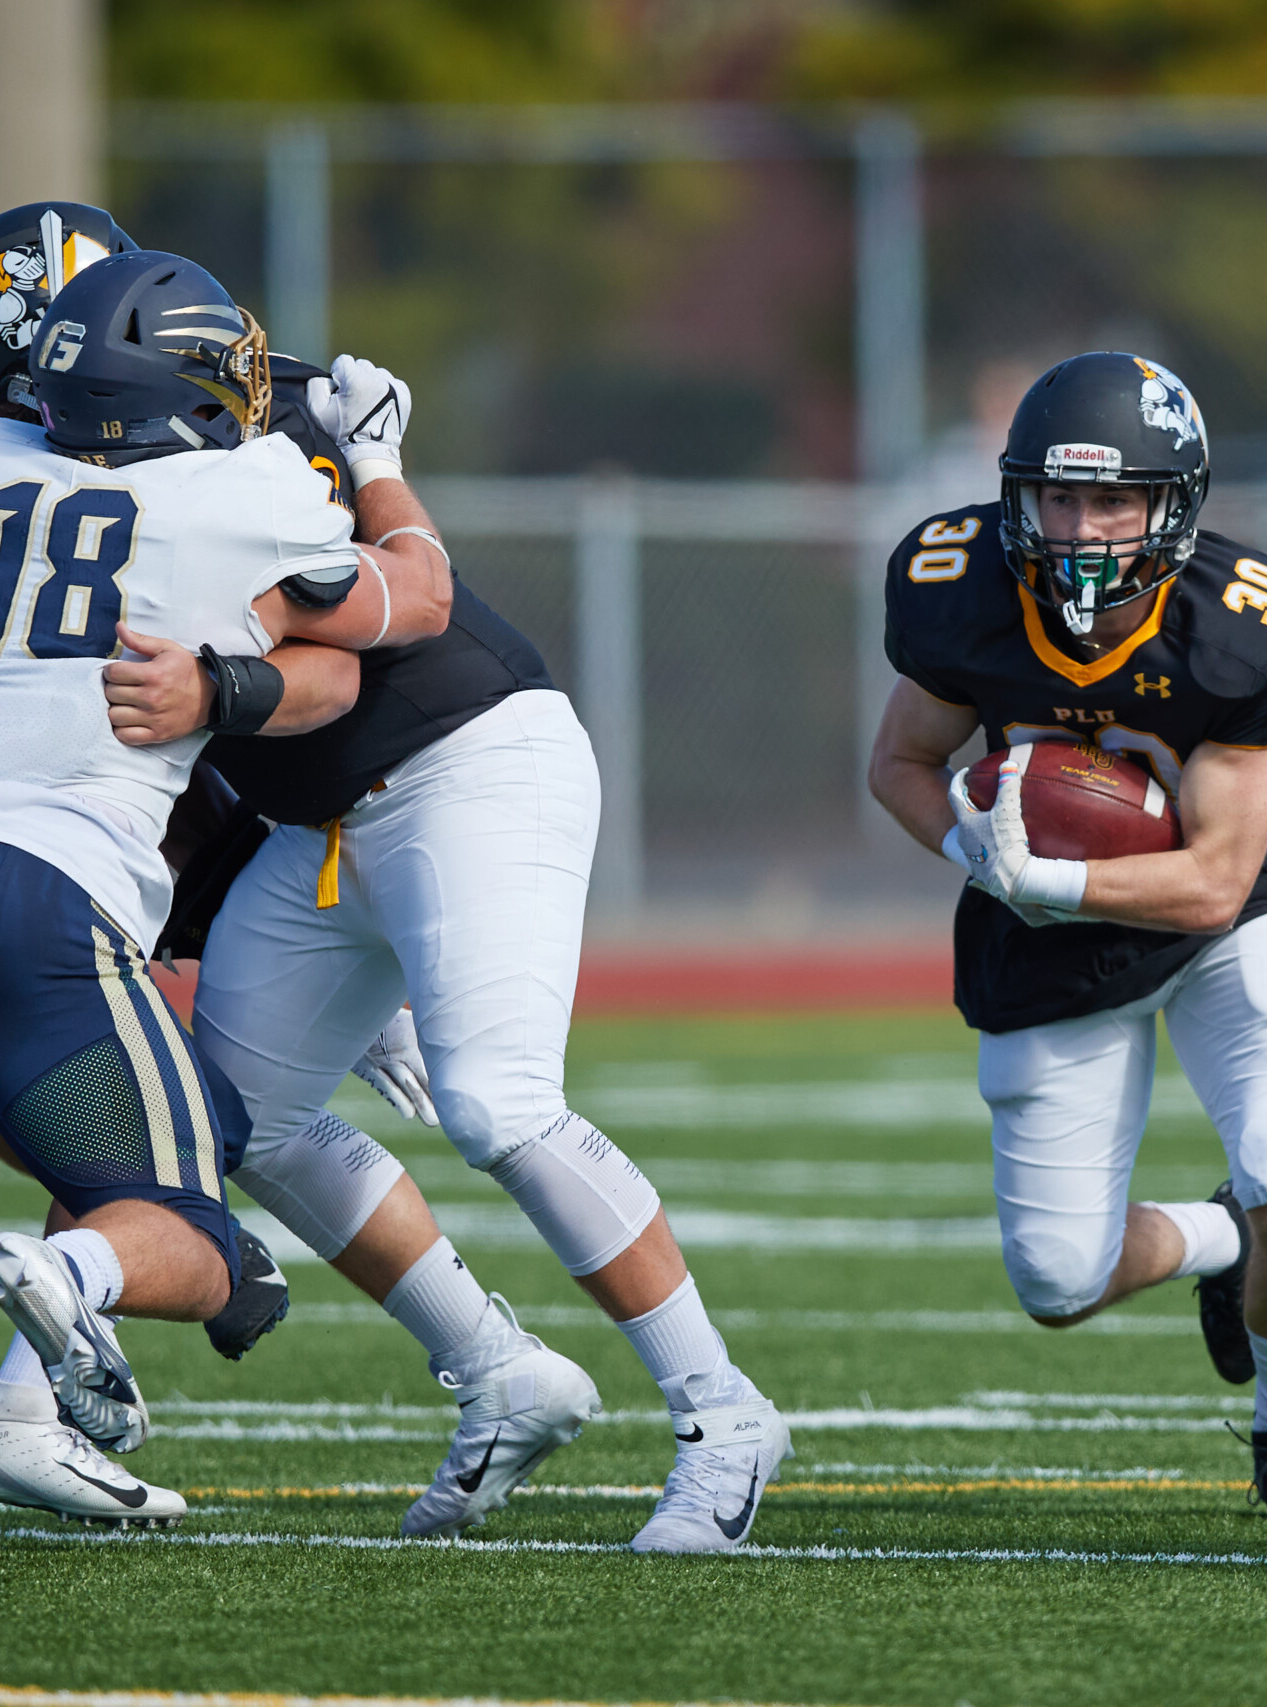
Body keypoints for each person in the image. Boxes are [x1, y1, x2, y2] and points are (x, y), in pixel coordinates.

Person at [83, 317, 792, 1559]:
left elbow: (389, 623)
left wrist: (374, 467)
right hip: (313, 829)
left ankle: (721, 1414)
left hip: (467, 762)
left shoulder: (261, 437)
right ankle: (497, 1368)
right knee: (237, 1116)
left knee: (498, 1105)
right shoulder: (69, 480)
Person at [0, 246, 443, 1522]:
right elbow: (415, 603)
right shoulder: (248, 494)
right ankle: (72, 1276)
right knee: (200, 1241)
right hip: (43, 897)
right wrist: (378, 462)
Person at [867, 352, 1267, 1521]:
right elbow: (899, 764)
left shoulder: (1246, 627)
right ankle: (1214, 1243)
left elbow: (1214, 882)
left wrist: (1051, 878)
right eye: (1059, 496)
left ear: (1172, 505)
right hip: (1044, 939)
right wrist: (971, 854)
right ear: (1017, 495)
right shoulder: (958, 588)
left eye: (1114, 500)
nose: (1082, 527)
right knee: (1057, 1282)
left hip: (1223, 919)